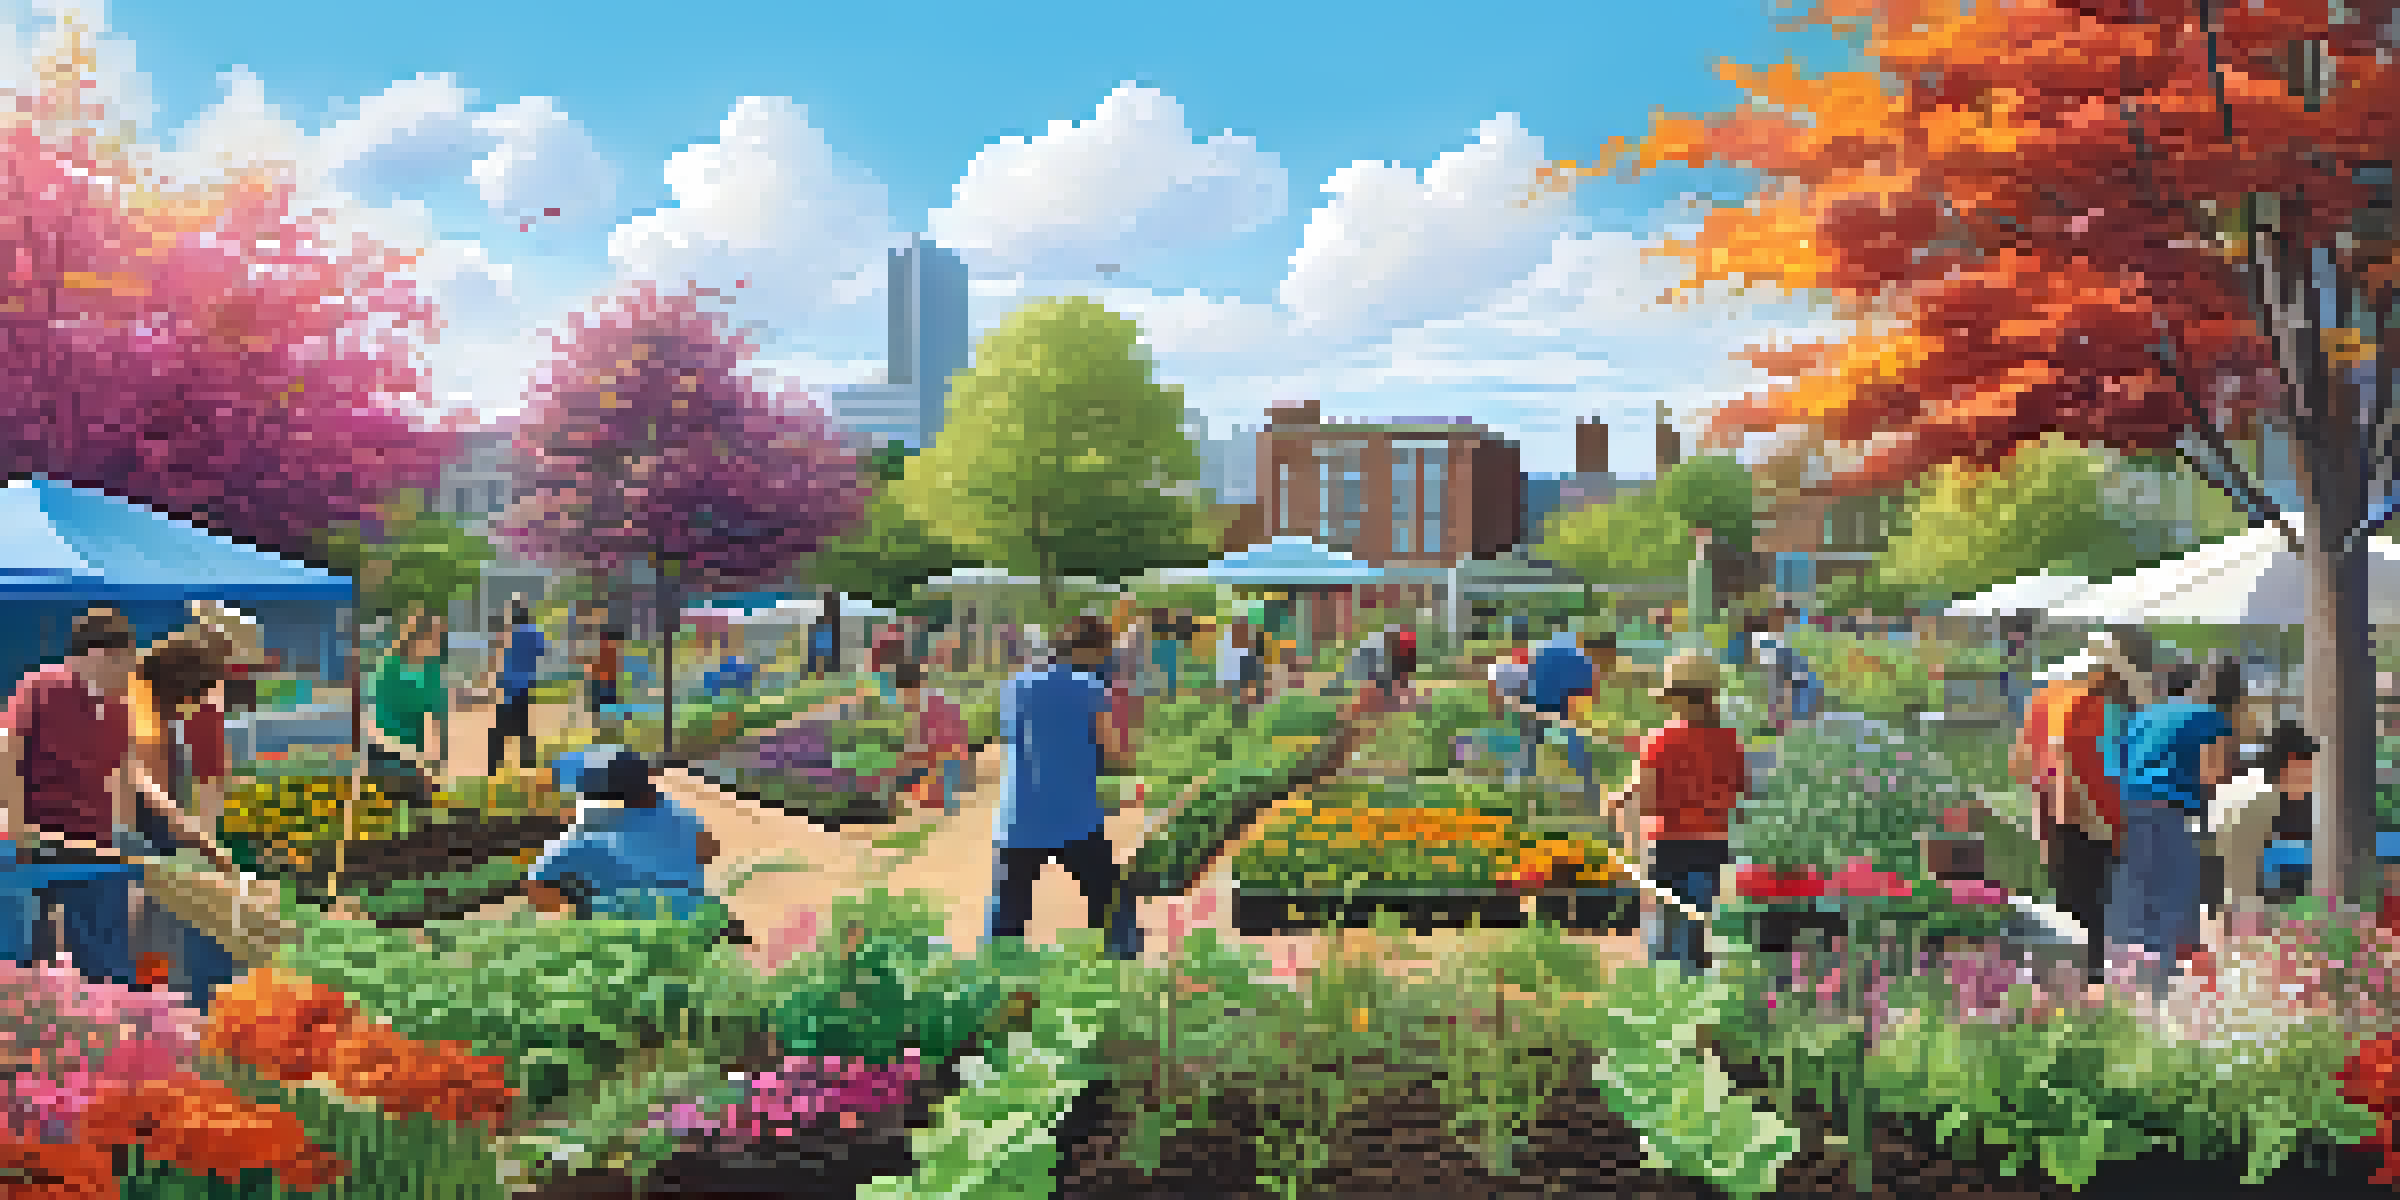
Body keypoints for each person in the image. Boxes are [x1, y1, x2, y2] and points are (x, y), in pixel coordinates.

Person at [985, 615, 1141, 960]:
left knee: (1006, 918)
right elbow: (1117, 755)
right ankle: (1120, 974)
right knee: (1111, 902)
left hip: (1018, 818)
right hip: (1074, 817)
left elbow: (1012, 741)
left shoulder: (1014, 685)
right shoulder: (1090, 688)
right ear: (1096, 650)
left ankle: (996, 990)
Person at [0, 607, 142, 985]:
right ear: (99, 656)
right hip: (34, 838)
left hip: (93, 843)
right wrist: (17, 827)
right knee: (21, 948)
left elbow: (117, 777)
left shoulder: (120, 710)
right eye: (125, 661)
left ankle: (113, 1020)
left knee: (107, 952)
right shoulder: (41, 686)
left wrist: (122, 836)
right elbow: (8, 752)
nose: (130, 671)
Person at [122, 629, 245, 1007]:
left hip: (151, 824)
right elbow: (144, 785)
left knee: (168, 912)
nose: (194, 707)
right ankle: (178, 998)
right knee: (172, 913)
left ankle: (169, 992)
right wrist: (199, 839)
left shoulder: (144, 696)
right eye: (196, 696)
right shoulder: (139, 707)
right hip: (132, 826)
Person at [2104, 652, 2238, 990]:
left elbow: (2118, 765)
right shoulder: (2210, 718)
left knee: (2137, 895)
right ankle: (2163, 982)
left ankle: (2130, 981)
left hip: (2131, 809)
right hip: (2173, 812)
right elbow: (2215, 774)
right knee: (2176, 895)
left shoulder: (2142, 718)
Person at [1606, 652, 1746, 973]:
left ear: (1679, 698)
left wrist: (1621, 802)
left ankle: (1671, 991)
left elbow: (1648, 800)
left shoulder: (1662, 740)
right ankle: (1695, 984)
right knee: (1697, 922)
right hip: (1713, 846)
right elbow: (1738, 791)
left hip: (1671, 845)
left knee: (1667, 932)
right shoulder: (1728, 740)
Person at [2034, 630, 2155, 982]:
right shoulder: (2088, 710)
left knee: (2094, 927)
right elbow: (2067, 773)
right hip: (2088, 830)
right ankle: (2091, 1000)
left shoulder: (2110, 712)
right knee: (2092, 927)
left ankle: (2093, 999)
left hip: (2090, 830)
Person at [523, 750, 730, 926]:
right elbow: (710, 850)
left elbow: (537, 890)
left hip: (625, 936)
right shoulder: (673, 813)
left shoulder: (587, 832)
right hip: (693, 922)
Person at [2210, 720, 2315, 911]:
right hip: (2255, 910)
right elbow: (2238, 877)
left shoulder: (2308, 804)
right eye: (2308, 768)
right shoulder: (2253, 801)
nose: (2313, 778)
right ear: (2290, 763)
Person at [895, 662, 972, 816]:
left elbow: (938, 745)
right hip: (945, 756)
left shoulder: (929, 704)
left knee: (932, 801)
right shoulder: (928, 699)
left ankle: (941, 799)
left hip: (948, 759)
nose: (903, 697)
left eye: (903, 692)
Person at [489, 598, 546, 774]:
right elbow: (541, 652)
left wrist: (498, 681)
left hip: (510, 685)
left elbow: (502, 657)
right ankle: (527, 762)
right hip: (526, 684)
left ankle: (494, 763)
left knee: (501, 725)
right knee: (523, 723)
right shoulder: (535, 633)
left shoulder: (510, 633)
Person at [586, 626, 624, 716]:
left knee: (607, 703)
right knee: (599, 705)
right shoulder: (602, 650)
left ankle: (604, 714)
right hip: (601, 680)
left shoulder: (611, 652)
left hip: (608, 679)